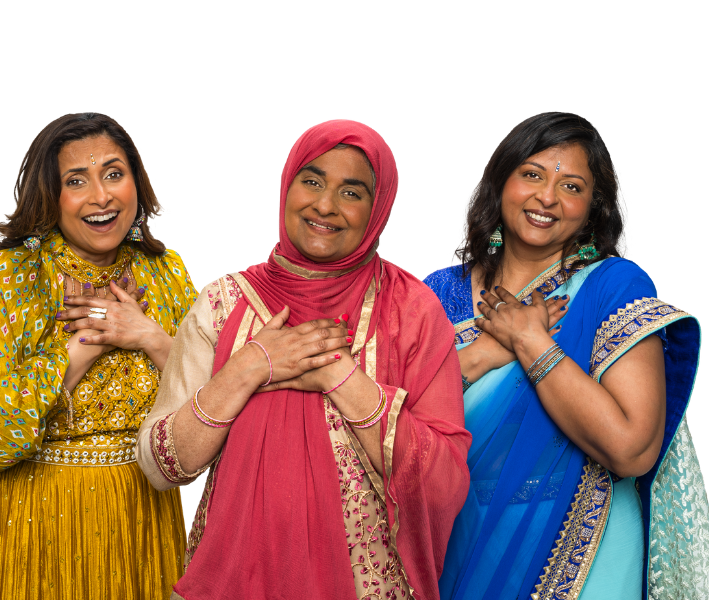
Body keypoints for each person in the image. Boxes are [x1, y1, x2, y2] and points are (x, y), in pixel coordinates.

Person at [133, 120, 471, 600]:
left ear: (377, 210)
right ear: (287, 185)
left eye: (351, 192)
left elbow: (444, 484)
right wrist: (250, 367)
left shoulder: (410, 311)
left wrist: (337, 374)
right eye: (311, 181)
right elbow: (161, 466)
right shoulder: (225, 305)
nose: (325, 205)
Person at [424, 112, 706, 600]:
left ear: (592, 208)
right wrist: (484, 353)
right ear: (500, 182)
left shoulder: (610, 287)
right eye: (532, 174)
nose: (548, 198)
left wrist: (533, 343)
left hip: (584, 549)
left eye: (571, 186)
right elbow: (394, 428)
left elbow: (631, 449)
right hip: (459, 544)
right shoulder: (435, 294)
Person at [0, 113, 196, 600]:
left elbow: (212, 408)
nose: (101, 196)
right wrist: (83, 343)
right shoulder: (11, 277)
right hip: (22, 523)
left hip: (136, 526)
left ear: (137, 181)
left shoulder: (166, 274)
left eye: (114, 174)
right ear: (49, 196)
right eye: (77, 181)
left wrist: (149, 336)